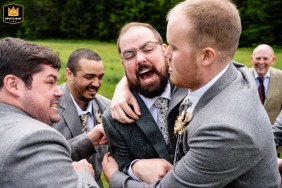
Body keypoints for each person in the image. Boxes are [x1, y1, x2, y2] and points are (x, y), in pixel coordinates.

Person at [102, 0, 281, 187]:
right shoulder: (232, 76)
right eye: (129, 55)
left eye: (174, 47)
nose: (167, 54)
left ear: (206, 56)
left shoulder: (225, 130)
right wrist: (123, 85)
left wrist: (114, 177)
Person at [0, 37, 105, 187]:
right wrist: (84, 175)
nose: (59, 92)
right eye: (50, 82)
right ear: (13, 85)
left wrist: (87, 141)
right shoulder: (34, 138)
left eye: (100, 77)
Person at [102, 22, 188, 181]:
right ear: (123, 65)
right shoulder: (114, 119)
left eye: (148, 49)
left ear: (164, 50)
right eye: (129, 55)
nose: (140, 59)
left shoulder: (192, 87)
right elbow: (123, 167)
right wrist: (133, 168)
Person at [52, 48, 110, 187]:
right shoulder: (50, 106)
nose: (96, 83)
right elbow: (48, 157)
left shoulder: (109, 108)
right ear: (69, 74)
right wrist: (87, 140)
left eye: (100, 77)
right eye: (89, 77)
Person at [249, 44, 282, 124]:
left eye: (265, 58)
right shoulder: (242, 76)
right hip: (248, 130)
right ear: (252, 59)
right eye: (258, 58)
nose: (261, 62)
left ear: (273, 60)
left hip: (274, 132)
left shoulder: (281, 77)